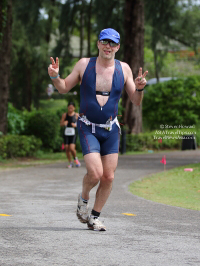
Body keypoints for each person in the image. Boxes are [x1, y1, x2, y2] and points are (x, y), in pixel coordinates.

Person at [48, 28, 148, 231]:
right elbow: (64, 87)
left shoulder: (124, 69)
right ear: (98, 44)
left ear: (118, 47)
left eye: (112, 43)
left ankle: (94, 217)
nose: (108, 46)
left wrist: (139, 88)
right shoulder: (85, 65)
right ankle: (83, 199)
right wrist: (55, 77)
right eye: (105, 42)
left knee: (108, 176)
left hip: (111, 129)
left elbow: (136, 102)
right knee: (95, 174)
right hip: (88, 127)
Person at [60, 102, 81, 168]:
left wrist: (75, 125)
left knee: (72, 148)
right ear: (67, 108)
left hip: (73, 133)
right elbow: (61, 124)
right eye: (69, 108)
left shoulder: (76, 115)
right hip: (66, 133)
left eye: (72, 108)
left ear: (74, 108)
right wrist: (64, 123)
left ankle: (75, 159)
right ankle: (70, 162)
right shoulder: (65, 115)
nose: (70, 109)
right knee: (66, 148)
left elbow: (81, 125)